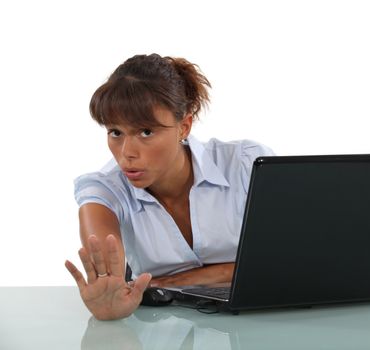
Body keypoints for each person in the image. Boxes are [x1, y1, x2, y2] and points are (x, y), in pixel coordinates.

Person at [65, 54, 274, 320]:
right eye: (116, 132)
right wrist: (112, 302)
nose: (127, 153)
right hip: (162, 330)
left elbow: (288, 261)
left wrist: (160, 284)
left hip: (262, 319)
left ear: (184, 126)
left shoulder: (246, 164)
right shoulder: (103, 189)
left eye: (146, 132)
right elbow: (110, 276)